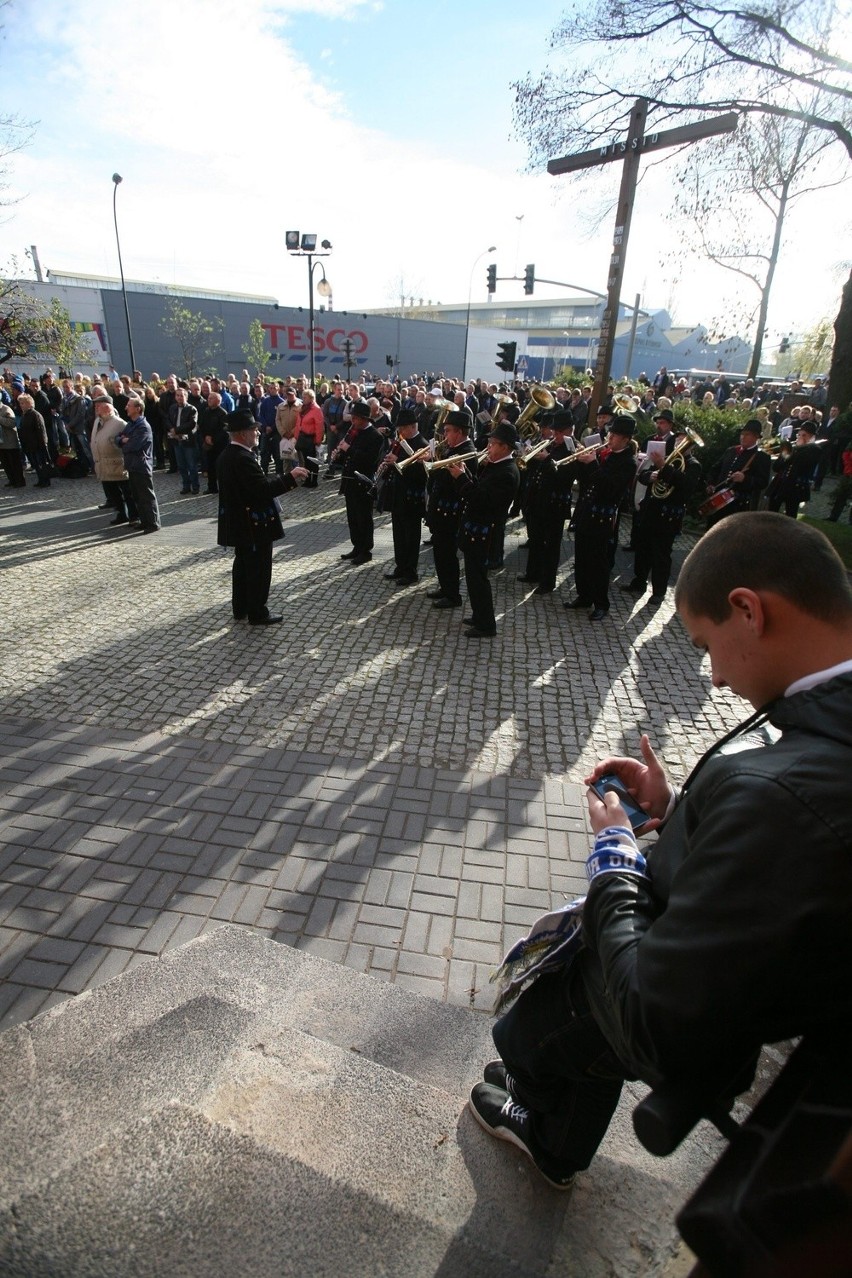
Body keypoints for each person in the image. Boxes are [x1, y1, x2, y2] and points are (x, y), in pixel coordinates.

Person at [469, 513, 852, 1191]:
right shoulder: (819, 742)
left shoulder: (786, 792)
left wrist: (614, 851)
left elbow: (651, 1017)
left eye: (706, 646)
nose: (714, 680)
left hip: (643, 982)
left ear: (747, 610)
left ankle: (549, 1140)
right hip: (718, 963)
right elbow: (785, 861)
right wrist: (681, 810)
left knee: (534, 1037)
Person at [216, 409, 308, 624]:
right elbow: (262, 490)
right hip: (252, 524)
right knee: (258, 568)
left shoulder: (229, 454)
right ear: (241, 434)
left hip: (240, 523)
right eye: (253, 429)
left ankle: (240, 608)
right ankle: (257, 612)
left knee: (242, 566)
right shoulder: (241, 458)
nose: (257, 433)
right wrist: (290, 478)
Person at [449, 421, 520, 639]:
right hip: (475, 529)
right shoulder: (495, 465)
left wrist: (461, 478)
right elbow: (479, 488)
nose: (488, 447)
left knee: (479, 579)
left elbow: (482, 500)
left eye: (493, 443)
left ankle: (487, 625)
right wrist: (466, 474)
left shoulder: (507, 472)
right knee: (472, 577)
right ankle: (479, 615)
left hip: (484, 534)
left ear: (506, 447)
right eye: (489, 442)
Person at [564, 413, 637, 620]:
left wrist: (593, 463)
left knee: (598, 562)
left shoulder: (627, 462)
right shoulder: (607, 454)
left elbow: (610, 489)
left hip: (603, 517)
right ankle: (584, 596)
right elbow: (587, 482)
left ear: (625, 439)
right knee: (582, 558)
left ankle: (601, 603)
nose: (609, 437)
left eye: (614, 435)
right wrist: (580, 461)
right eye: (610, 433)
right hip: (587, 511)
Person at [622, 427, 702, 605]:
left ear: (691, 447)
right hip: (650, 509)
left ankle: (659, 591)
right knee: (642, 549)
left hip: (668, 516)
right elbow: (642, 474)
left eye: (684, 441)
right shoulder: (665, 457)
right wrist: (650, 475)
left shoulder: (693, 464)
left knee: (661, 554)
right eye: (678, 439)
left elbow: (685, 487)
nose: (680, 442)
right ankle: (639, 582)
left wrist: (663, 468)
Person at [426, 412, 477, 611]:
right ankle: (445, 587)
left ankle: (452, 594)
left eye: (448, 431)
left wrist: (435, 467)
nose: (444, 435)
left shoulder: (467, 451)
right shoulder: (451, 447)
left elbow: (451, 482)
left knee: (447, 553)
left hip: (451, 512)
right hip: (440, 509)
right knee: (440, 552)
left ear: (459, 431)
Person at [336, 401, 384, 565]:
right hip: (349, 481)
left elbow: (369, 461)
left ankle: (365, 550)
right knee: (352, 517)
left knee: (364, 517)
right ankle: (356, 546)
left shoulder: (375, 436)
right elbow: (347, 457)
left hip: (363, 483)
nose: (352, 421)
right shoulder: (353, 432)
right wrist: (340, 454)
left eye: (355, 418)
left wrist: (348, 449)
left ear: (364, 419)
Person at [704, 421, 771, 526]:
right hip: (718, 501)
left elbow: (763, 482)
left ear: (756, 437)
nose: (743, 437)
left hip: (737, 505)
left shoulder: (761, 457)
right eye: (742, 434)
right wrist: (711, 483)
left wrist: (745, 479)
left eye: (747, 434)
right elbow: (715, 469)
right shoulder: (731, 451)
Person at [115, 396, 161, 534]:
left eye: (129, 405)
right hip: (132, 465)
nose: (126, 408)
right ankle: (144, 521)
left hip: (141, 466)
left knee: (146, 496)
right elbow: (118, 439)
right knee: (137, 496)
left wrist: (124, 442)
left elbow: (133, 446)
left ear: (138, 408)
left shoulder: (143, 426)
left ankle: (153, 523)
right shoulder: (131, 424)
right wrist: (123, 440)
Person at [91, 395, 137, 526]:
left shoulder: (120, 424)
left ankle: (133, 515)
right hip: (103, 465)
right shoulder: (97, 421)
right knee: (113, 494)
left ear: (107, 407)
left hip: (117, 466)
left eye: (98, 406)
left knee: (127, 493)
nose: (96, 408)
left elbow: (128, 444)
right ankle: (121, 514)